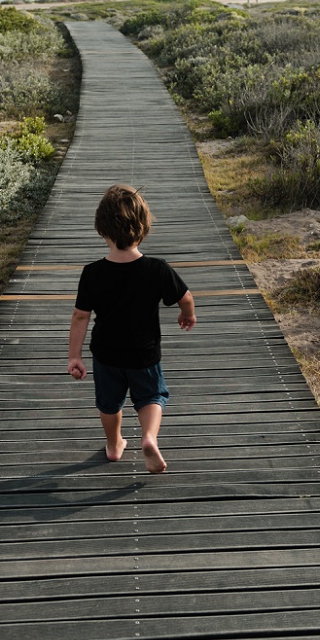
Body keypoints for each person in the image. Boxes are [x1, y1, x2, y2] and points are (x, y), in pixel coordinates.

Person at [67, 185, 196, 474]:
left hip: (106, 354)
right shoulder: (157, 269)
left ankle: (114, 445)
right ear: (143, 229)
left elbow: (80, 316)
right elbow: (185, 297)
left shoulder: (92, 273)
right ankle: (149, 437)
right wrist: (188, 315)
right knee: (151, 397)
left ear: (102, 230)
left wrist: (74, 356)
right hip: (144, 353)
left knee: (109, 403)